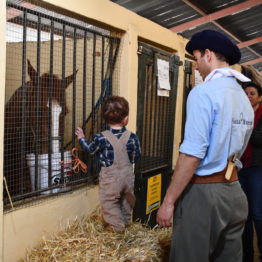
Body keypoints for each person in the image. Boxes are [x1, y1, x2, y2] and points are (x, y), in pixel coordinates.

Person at [156, 29, 254, 262]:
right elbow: (241, 146)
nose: (196, 66)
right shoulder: (244, 98)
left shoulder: (203, 93)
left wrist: (168, 202)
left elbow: (192, 154)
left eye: (196, 58)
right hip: (235, 192)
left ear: (208, 55)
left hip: (204, 194)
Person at [75, 95, 141, 232]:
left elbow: (90, 150)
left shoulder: (101, 137)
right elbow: (136, 157)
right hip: (128, 176)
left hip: (110, 178)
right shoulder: (133, 137)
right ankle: (126, 223)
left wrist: (81, 138)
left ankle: (117, 231)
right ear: (126, 119)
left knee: (110, 203)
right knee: (126, 202)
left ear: (105, 119)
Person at [239, 81, 262, 262]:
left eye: (252, 93)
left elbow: (258, 139)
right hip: (240, 167)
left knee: (257, 213)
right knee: (243, 214)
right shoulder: (240, 112)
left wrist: (245, 122)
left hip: (257, 169)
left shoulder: (261, 115)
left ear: (259, 97)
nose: (248, 96)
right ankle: (247, 255)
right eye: (245, 93)